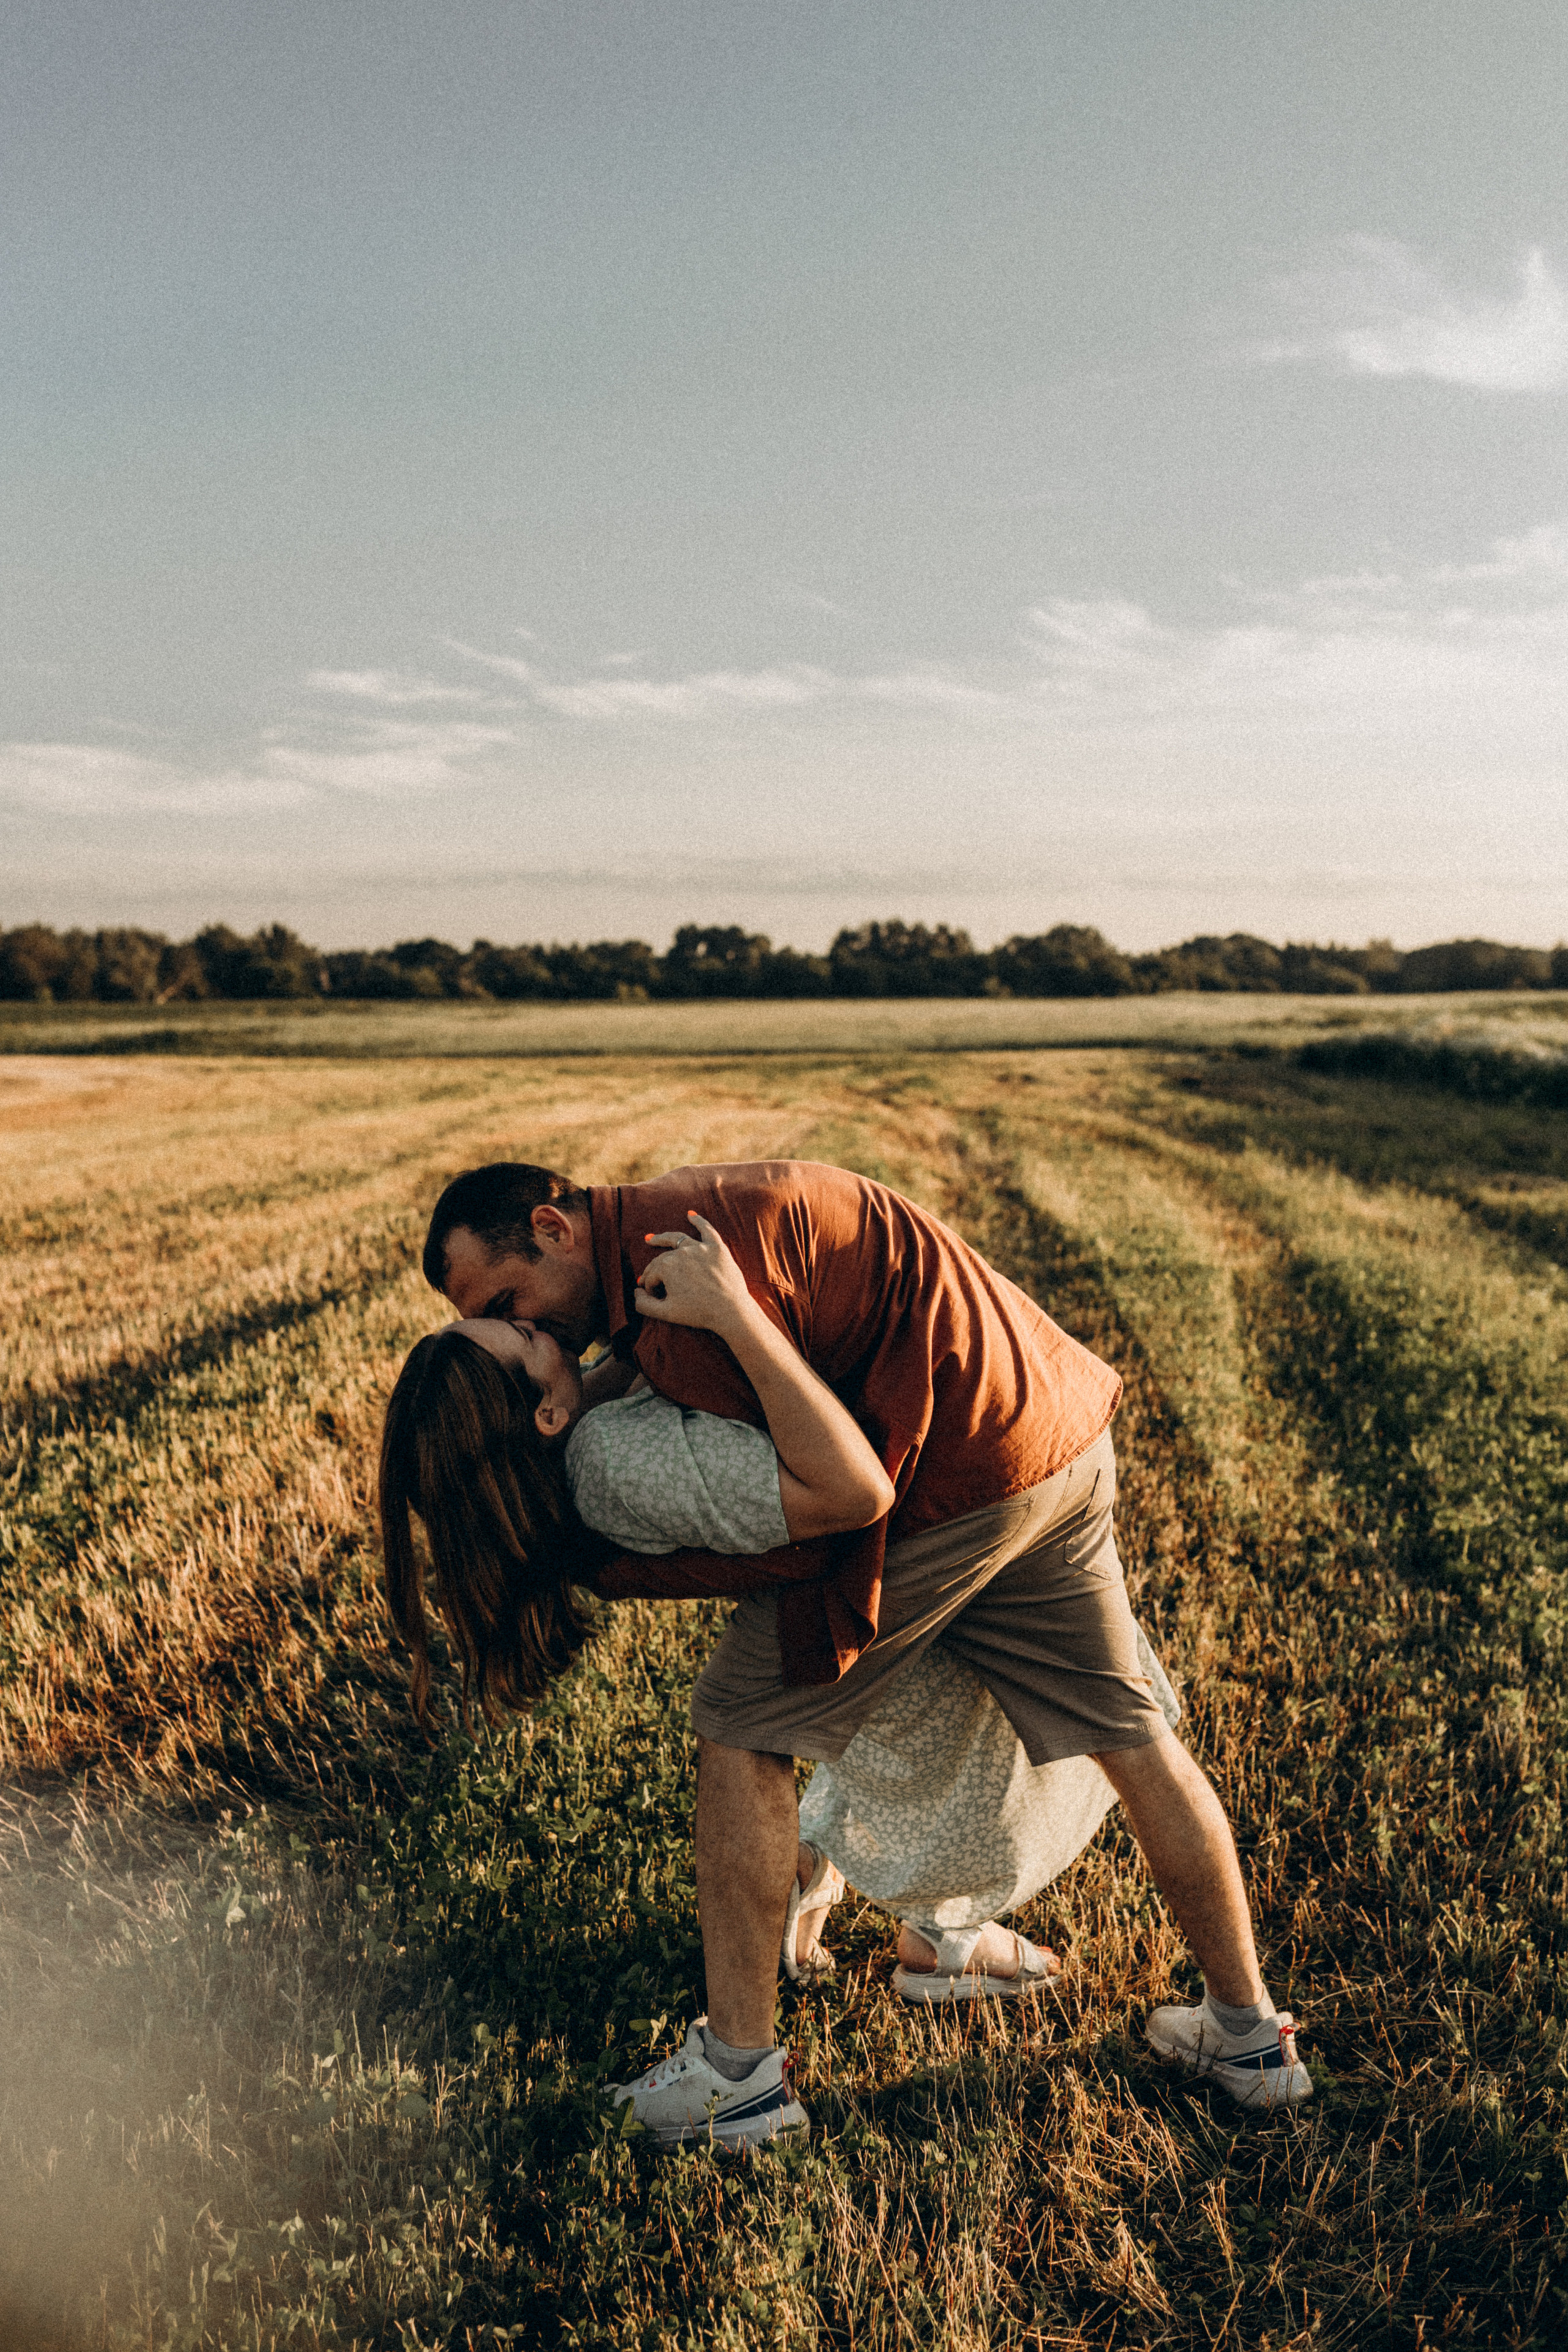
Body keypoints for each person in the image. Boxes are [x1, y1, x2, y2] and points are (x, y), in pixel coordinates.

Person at [413, 1158, 1311, 2141]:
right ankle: (1249, 2039)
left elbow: (839, 1496)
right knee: (1128, 1729)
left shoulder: (687, 1292)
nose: (540, 1333)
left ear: (551, 1228)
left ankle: (738, 2080)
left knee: (741, 1724)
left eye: (513, 1304)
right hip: (1050, 1424)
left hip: (953, 1474)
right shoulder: (673, 1238)